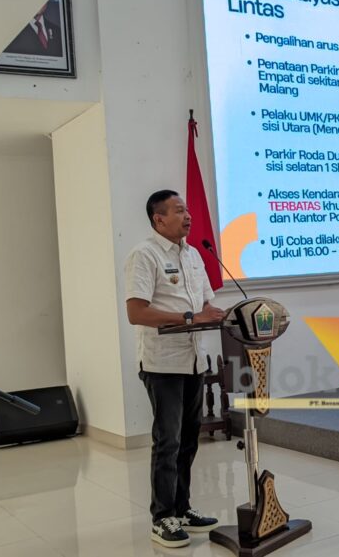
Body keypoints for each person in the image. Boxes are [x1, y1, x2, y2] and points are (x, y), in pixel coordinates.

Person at [125, 190, 225, 548]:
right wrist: (189, 316)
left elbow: (206, 305)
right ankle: (162, 517)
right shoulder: (144, 254)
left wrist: (225, 315)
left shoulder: (194, 253)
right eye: (180, 210)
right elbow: (136, 312)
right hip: (162, 363)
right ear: (159, 219)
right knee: (167, 441)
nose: (188, 216)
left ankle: (182, 509)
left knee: (187, 440)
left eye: (187, 210)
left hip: (194, 359)